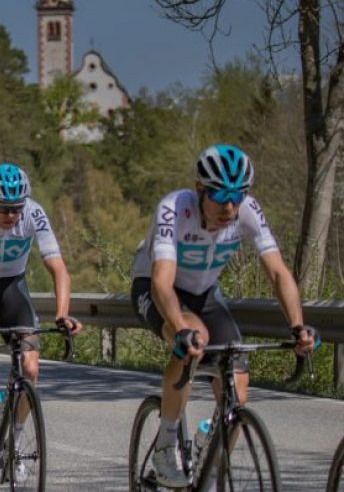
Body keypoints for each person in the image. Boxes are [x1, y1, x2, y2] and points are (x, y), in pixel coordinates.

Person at [131, 144, 316, 488]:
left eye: (237, 196)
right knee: (192, 340)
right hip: (155, 289)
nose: (229, 207)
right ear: (200, 189)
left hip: (204, 293)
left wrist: (297, 325)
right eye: (220, 196)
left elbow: (277, 272)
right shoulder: (174, 208)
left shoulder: (247, 212)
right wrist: (180, 327)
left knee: (237, 387)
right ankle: (166, 443)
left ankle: (212, 458)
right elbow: (161, 281)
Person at [0, 163, 82, 446]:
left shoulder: (34, 213)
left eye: (16, 208)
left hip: (13, 286)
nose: (11, 215)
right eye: (3, 208)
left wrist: (62, 314)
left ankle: (16, 443)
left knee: (31, 368)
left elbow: (58, 268)